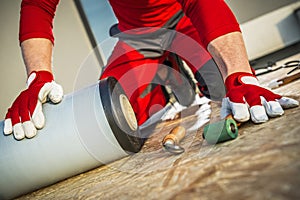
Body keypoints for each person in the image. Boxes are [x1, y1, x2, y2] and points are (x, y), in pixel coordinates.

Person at [3, 0, 299, 140]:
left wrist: (238, 73)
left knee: (228, 93)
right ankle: (165, 76)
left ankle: (191, 73)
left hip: (186, 21)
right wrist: (37, 76)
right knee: (112, 116)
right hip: (137, 36)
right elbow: (38, 7)